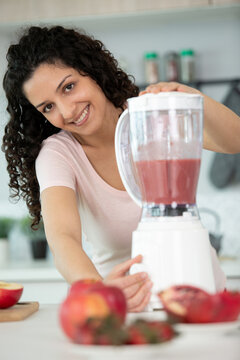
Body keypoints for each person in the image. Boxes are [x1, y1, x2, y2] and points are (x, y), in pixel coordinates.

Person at [2, 26, 240, 312]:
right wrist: (98, 290)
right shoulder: (58, 154)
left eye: (69, 87)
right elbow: (63, 237)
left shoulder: (151, 115)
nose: (66, 111)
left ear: (91, 70)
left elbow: (234, 141)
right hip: (127, 307)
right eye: (48, 107)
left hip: (203, 296)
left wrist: (189, 99)